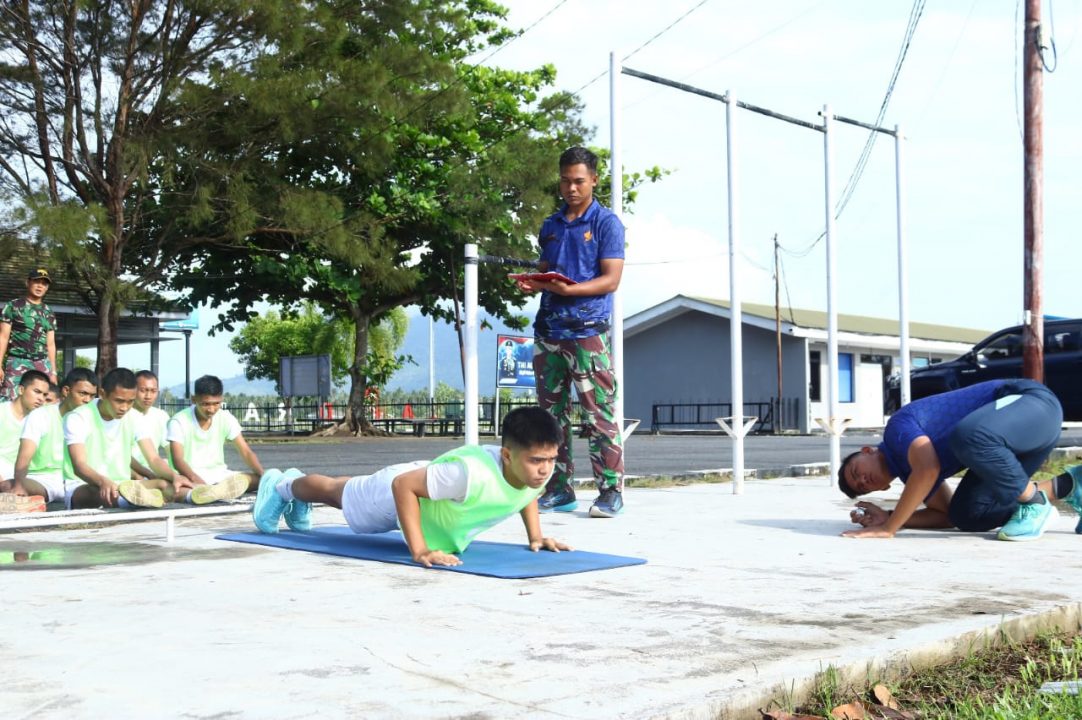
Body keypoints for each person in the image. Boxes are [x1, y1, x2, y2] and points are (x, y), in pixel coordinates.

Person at [252, 406, 572, 568]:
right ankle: (281, 485)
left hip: (429, 486)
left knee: (343, 488)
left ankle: (291, 483)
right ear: (507, 455)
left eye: (551, 459)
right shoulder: (469, 474)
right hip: (400, 490)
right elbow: (403, 485)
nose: (544, 469)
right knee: (335, 493)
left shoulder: (528, 472)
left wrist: (536, 537)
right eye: (536, 460)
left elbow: (523, 494)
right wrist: (419, 551)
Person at [514, 146, 626, 518]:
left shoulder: (607, 224)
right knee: (551, 417)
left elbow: (611, 280)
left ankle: (610, 492)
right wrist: (533, 283)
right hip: (549, 331)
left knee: (598, 415)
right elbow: (546, 271)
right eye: (565, 181)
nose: (572, 188)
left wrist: (570, 290)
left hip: (588, 332)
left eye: (579, 181)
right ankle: (558, 489)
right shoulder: (550, 225)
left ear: (594, 179)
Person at [839, 378, 1069, 541]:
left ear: (867, 450)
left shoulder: (895, 431)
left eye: (854, 471)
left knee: (968, 436)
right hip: (1015, 444)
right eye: (862, 487)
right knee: (967, 515)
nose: (862, 479)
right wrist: (888, 517)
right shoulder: (913, 475)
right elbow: (944, 516)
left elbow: (928, 467)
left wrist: (890, 528)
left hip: (1032, 404)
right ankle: (1068, 485)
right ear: (884, 487)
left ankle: (1035, 503)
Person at [65, 367, 192, 510]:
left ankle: (194, 494)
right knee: (99, 491)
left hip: (125, 486)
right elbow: (79, 465)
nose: (124, 408)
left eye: (130, 401)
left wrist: (174, 476)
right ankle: (137, 500)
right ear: (102, 394)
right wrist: (102, 482)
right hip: (85, 485)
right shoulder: (77, 417)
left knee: (164, 484)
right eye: (119, 401)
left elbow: (154, 459)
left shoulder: (134, 416)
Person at [5, 368, 98, 508]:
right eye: (83, 393)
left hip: (78, 481)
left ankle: (32, 504)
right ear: (66, 391)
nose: (87, 400)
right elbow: (25, 455)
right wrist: (18, 485)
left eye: (92, 396)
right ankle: (30, 503)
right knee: (7, 486)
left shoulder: (93, 418)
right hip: (43, 480)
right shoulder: (40, 415)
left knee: (104, 491)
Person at [166, 374, 263, 504]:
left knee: (256, 479)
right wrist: (200, 483)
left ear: (222, 399)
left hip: (220, 476)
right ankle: (207, 492)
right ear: (194, 399)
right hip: (189, 476)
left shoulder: (226, 417)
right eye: (205, 404)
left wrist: (264, 476)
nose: (211, 409)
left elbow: (246, 452)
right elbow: (178, 460)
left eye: (216, 403)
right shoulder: (179, 421)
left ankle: (213, 492)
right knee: (172, 489)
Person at [0, 267, 58, 401]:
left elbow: (50, 344)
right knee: (10, 399)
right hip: (17, 360)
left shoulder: (49, 312)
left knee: (41, 402)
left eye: (44, 283)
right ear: (28, 282)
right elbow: (3, 337)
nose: (40, 286)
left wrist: (53, 371)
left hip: (42, 363)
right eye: (37, 281)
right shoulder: (13, 306)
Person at [0, 370, 51, 513]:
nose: (41, 398)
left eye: (45, 395)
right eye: (37, 392)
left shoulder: (41, 419)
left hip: (22, 475)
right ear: (21, 390)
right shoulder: (2, 412)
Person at [130, 370, 169, 469]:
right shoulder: (122, 415)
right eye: (143, 390)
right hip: (129, 472)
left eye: (153, 391)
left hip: (153, 470)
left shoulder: (161, 416)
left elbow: (170, 450)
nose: (148, 396)